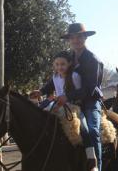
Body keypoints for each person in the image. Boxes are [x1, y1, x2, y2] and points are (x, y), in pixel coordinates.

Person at [33, 23, 104, 171]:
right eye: (72, 38)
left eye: (79, 36)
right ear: (69, 40)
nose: (76, 40)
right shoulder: (67, 57)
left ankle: (96, 166)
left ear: (85, 38)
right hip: (69, 101)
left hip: (90, 101)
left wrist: (67, 96)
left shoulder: (92, 60)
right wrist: (42, 91)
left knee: (92, 130)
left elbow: (90, 88)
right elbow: (57, 77)